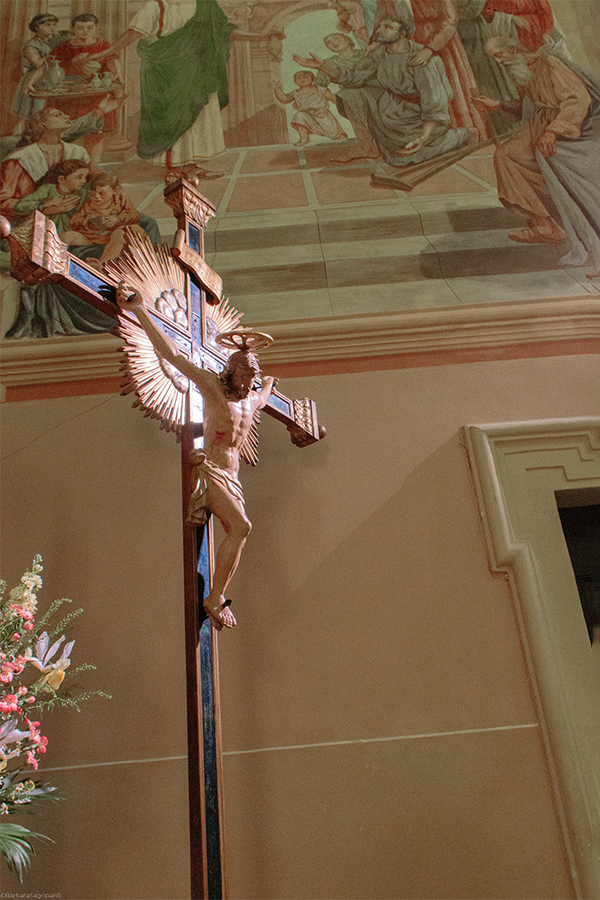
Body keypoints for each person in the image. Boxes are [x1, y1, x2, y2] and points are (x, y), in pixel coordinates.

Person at [116, 281, 278, 630]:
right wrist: (139, 310)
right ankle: (215, 596)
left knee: (240, 531)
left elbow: (265, 399)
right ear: (231, 370)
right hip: (211, 470)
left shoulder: (252, 399)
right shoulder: (212, 389)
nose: (250, 381)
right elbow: (173, 355)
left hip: (233, 478)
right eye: (246, 374)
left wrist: (267, 387)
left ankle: (217, 594)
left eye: (254, 376)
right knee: (241, 526)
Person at [473, 35, 600, 276]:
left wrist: (552, 131)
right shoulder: (526, 71)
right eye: (495, 59)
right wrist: (497, 105)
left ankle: (574, 222)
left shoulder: (550, 63)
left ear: (513, 49)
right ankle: (544, 224)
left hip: (567, 125)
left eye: (501, 56)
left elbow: (578, 99)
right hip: (538, 124)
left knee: (545, 160)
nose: (500, 63)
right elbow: (527, 105)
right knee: (505, 155)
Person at [87, 0, 236, 178]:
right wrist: (104, 54)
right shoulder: (156, 6)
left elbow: (224, 30)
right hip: (164, 74)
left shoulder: (205, 4)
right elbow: (133, 33)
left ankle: (190, 166)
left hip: (197, 72)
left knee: (195, 118)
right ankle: (172, 168)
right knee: (168, 119)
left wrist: (260, 36)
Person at [307, 16, 468, 167]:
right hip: (390, 110)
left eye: (388, 27)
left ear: (402, 34)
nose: (380, 30)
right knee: (350, 94)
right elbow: (355, 78)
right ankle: (369, 146)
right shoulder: (378, 55)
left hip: (418, 115)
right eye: (380, 26)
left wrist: (423, 137)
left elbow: (435, 101)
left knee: (402, 159)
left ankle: (462, 135)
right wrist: (323, 66)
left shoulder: (421, 58)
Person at [65, 172, 145, 265]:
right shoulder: (87, 205)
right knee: (67, 236)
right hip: (91, 238)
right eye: (92, 194)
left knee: (119, 234)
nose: (96, 197)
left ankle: (101, 264)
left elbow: (133, 215)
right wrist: (88, 223)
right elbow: (74, 221)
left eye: (102, 193)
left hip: (111, 238)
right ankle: (59, 259)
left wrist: (117, 219)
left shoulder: (119, 203)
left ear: (114, 191)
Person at [12, 158, 89, 236]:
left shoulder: (83, 193)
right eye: (79, 177)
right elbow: (19, 207)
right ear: (61, 179)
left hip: (69, 233)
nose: (84, 181)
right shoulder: (47, 189)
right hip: (42, 230)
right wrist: (44, 204)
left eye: (85, 177)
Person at [270, 71, 348, 145]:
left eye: (306, 78)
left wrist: (345, 107)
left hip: (324, 117)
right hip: (308, 117)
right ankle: (304, 138)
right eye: (299, 78)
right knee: (299, 116)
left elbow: (334, 99)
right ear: (295, 81)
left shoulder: (320, 90)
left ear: (312, 80)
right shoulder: (295, 93)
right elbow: (284, 99)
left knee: (338, 136)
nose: (302, 80)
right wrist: (277, 89)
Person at [11, 13, 63, 121]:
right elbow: (39, 64)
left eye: (54, 24)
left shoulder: (56, 39)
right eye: (47, 25)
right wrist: (55, 51)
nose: (52, 27)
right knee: (39, 111)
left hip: (55, 76)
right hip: (37, 78)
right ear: (36, 27)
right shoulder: (31, 46)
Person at [481, 0, 553, 52]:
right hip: (512, 39)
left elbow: (545, 12)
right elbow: (487, 13)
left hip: (537, 36)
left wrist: (546, 32)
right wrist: (511, 18)